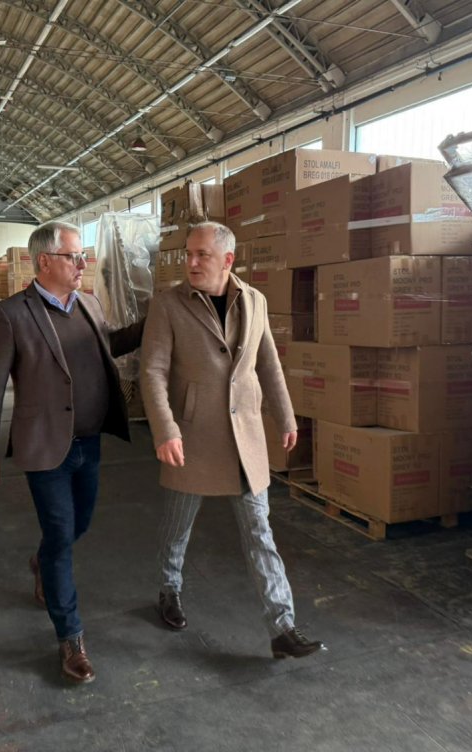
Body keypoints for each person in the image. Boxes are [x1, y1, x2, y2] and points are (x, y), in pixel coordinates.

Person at [139, 221, 325, 660]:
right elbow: (153, 371)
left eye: (201, 254)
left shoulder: (255, 301)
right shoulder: (169, 305)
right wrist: (166, 429)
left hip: (245, 440)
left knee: (261, 532)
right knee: (177, 528)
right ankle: (168, 589)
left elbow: (268, 363)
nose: (191, 262)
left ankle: (282, 627)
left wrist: (286, 417)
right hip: (192, 438)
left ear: (227, 260)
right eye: (188, 254)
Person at [0, 221, 143, 685]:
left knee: (76, 526)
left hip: (89, 442)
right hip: (45, 447)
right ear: (44, 261)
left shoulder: (89, 304)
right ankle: (71, 638)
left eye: (83, 255)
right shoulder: (11, 315)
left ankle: (42, 561)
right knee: (62, 532)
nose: (83, 263)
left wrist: (156, 320)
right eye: (74, 256)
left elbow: (110, 343)